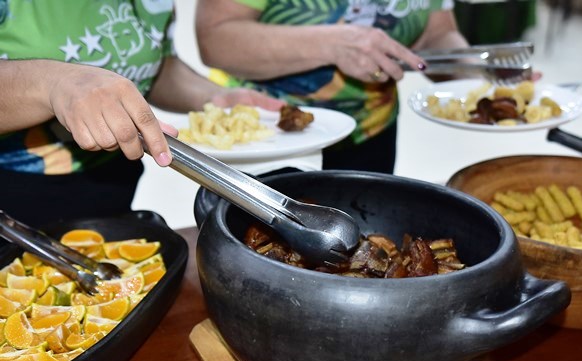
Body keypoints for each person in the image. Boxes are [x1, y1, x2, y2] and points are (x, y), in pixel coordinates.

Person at [0, 0, 282, 227]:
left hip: (113, 184)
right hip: (13, 196)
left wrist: (214, 99)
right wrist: (52, 83)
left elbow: (154, 70)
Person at [195, 0, 469, 174]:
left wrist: (477, 73)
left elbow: (436, 33)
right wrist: (331, 44)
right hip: (266, 137)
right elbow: (214, 40)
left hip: (372, 131)